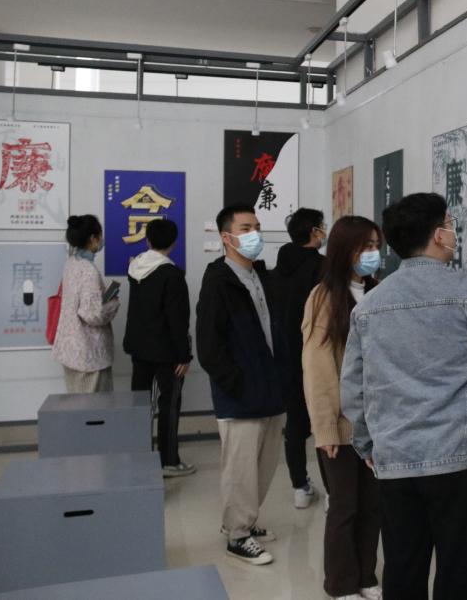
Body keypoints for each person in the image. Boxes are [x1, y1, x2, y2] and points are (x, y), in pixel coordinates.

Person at [340, 192, 467, 600]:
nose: (453, 231)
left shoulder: (369, 306)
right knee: (459, 572)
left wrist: (367, 443)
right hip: (462, 460)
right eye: (450, 224)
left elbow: (354, 386)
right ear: (438, 234)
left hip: (396, 460)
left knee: (402, 568)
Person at [196, 204, 288, 566]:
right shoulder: (218, 281)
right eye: (246, 228)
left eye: (257, 227)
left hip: (271, 389)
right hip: (240, 394)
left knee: (264, 467)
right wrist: (235, 383)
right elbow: (209, 346)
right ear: (226, 237)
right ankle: (237, 535)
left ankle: (243, 521)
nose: (255, 234)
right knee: (241, 469)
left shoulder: (260, 276)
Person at [302, 216, 383, 600]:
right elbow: (318, 368)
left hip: (378, 425)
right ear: (344, 250)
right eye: (365, 246)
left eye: (376, 246)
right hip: (342, 425)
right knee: (345, 505)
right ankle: (340, 583)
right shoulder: (323, 297)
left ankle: (366, 576)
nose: (372, 253)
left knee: (373, 505)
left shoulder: (379, 292)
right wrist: (325, 428)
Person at [123, 219, 195, 477]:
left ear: (148, 240)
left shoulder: (134, 268)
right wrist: (184, 355)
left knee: (140, 405)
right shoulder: (172, 275)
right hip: (166, 352)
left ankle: (139, 456)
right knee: (169, 405)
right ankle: (168, 460)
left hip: (138, 348)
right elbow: (178, 320)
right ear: (174, 243)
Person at [273, 207, 327, 508]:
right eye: (322, 226)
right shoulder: (323, 268)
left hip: (287, 357)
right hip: (319, 355)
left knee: (294, 425)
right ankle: (333, 490)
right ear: (313, 231)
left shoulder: (278, 268)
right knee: (326, 423)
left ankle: (300, 487)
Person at [52, 214, 119, 392]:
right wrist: (113, 303)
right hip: (88, 353)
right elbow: (93, 314)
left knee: (76, 402)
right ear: (92, 238)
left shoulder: (71, 263)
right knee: (95, 405)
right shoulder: (89, 270)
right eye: (100, 236)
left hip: (70, 348)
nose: (102, 240)